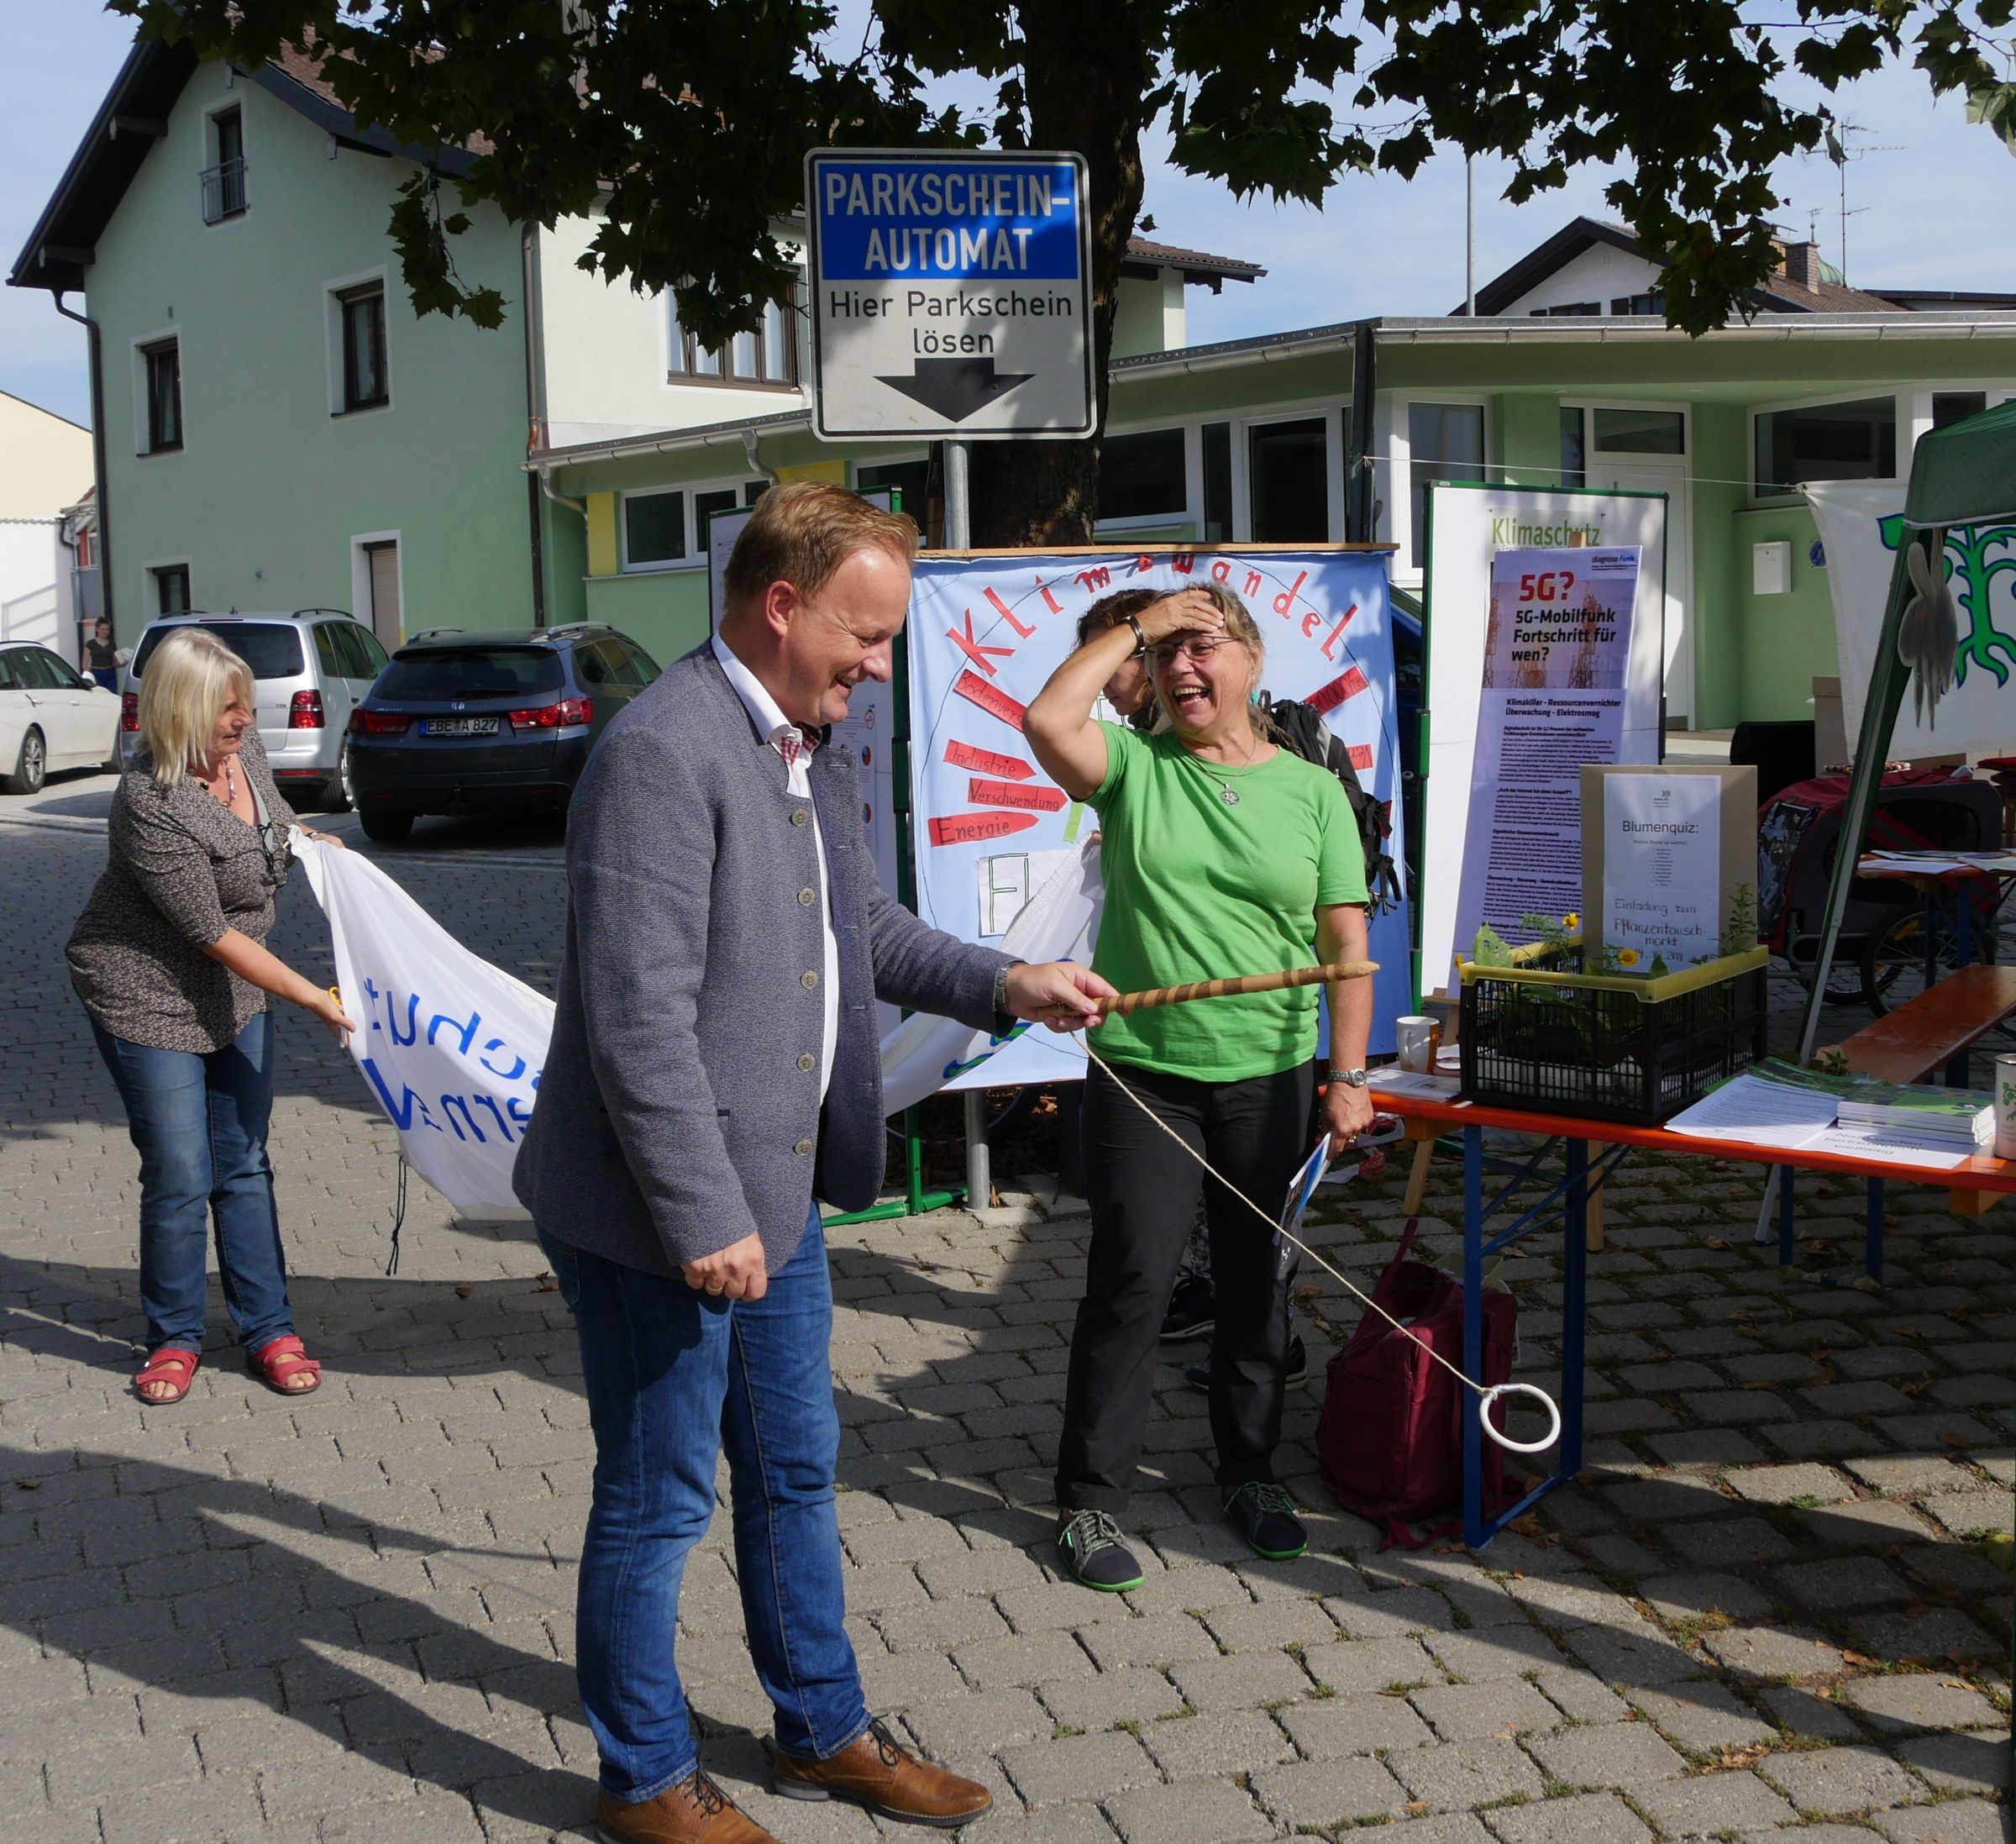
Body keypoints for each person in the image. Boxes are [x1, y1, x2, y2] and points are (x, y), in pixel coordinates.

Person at [512, 482, 1115, 1844]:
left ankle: (821, 1732)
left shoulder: (810, 738)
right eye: (869, 635)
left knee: (794, 1467)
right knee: (659, 1494)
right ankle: (647, 1778)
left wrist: (1007, 979)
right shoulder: (663, 751)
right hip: (661, 1214)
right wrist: (702, 1216)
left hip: (770, 1193)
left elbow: (867, 931)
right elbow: (636, 1019)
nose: (881, 665)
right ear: (780, 607)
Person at [1025, 581, 1374, 1590]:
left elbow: (1344, 942)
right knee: (1132, 1282)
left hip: (1270, 1072)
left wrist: (1347, 1077)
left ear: (1253, 662)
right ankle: (1090, 1499)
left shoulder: (1310, 791)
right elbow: (1050, 718)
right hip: (1147, 1075)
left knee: (1253, 1281)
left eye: (1206, 647)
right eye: (1167, 654)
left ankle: (1251, 1468)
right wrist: (1141, 623)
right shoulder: (1133, 768)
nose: (1186, 667)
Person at [66, 628, 354, 1408]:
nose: (242, 716)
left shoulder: (244, 754)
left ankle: (268, 1327)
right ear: (182, 709)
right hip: (147, 994)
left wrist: (317, 846)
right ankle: (175, 1337)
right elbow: (212, 932)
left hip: (236, 992)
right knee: (182, 1170)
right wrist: (312, 995)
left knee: (244, 1160)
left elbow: (274, 824)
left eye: (243, 702)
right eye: (226, 706)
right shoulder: (148, 801)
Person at [84, 617, 124, 691]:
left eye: (107, 629)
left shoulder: (112, 644)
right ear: (97, 629)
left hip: (110, 672)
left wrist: (123, 663)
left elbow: (114, 663)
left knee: (112, 694)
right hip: (96, 673)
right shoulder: (90, 644)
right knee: (99, 694)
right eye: (102, 629)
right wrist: (89, 676)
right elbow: (85, 663)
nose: (105, 632)